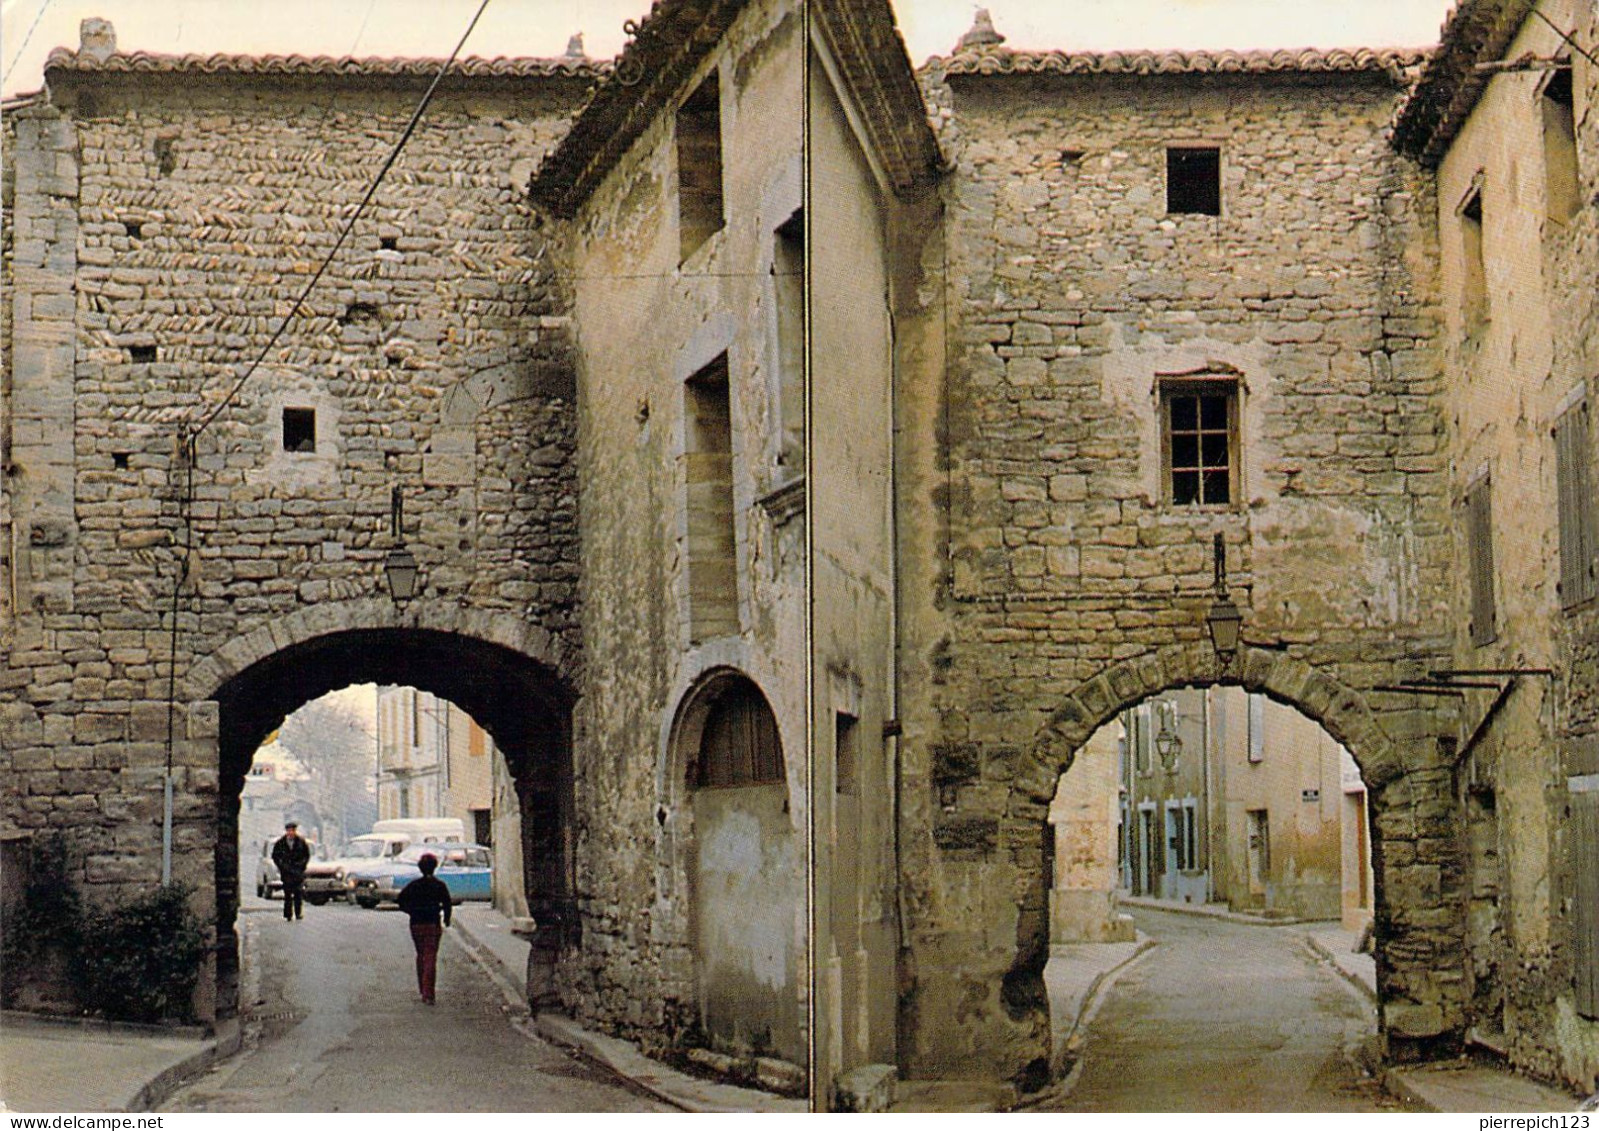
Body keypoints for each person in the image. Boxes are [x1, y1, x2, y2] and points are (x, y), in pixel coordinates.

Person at [396, 853, 452, 1004]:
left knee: (421, 954)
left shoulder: (414, 885)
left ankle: (422, 987)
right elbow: (447, 903)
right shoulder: (439, 885)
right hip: (432, 923)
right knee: (430, 956)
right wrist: (446, 919)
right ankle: (429, 992)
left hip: (416, 924)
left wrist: (411, 911)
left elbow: (400, 900)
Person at [271, 820, 311, 922]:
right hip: (286, 873)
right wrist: (282, 866)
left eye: (292, 830)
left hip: (297, 872)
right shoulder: (280, 843)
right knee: (287, 894)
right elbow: (275, 856)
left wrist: (301, 866)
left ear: (295, 831)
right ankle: (288, 914)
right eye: (289, 831)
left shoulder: (301, 842)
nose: (290, 833)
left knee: (298, 893)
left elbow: (306, 856)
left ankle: (298, 913)